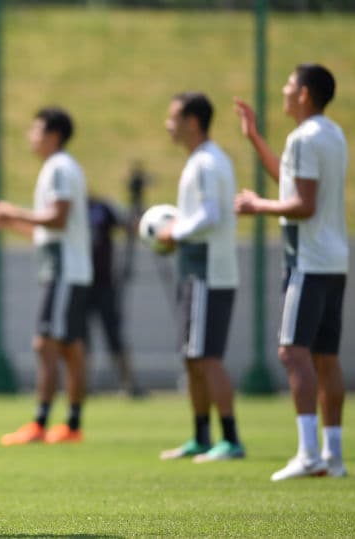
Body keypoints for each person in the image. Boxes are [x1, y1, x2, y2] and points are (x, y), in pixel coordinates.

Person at [234, 64, 348, 481]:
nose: (283, 90)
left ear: (304, 94)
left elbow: (302, 204)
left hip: (308, 261)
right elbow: (293, 183)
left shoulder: (303, 138)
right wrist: (254, 138)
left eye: (289, 84)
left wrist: (256, 206)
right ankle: (332, 456)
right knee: (326, 359)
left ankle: (307, 455)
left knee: (292, 352)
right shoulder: (331, 133)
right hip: (334, 260)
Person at [0, 107, 92, 447]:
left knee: (45, 344)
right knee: (69, 348)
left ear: (53, 135)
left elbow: (57, 219)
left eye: (36, 130)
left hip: (64, 270)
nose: (31, 137)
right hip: (63, 269)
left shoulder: (60, 167)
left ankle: (41, 423)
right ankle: (71, 425)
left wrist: (11, 210)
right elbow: (46, 232)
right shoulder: (58, 168)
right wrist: (10, 223)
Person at [156, 92, 245, 463]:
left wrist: (174, 231)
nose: (168, 124)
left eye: (173, 117)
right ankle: (201, 436)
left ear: (192, 121)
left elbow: (210, 215)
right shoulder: (200, 161)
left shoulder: (208, 162)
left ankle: (230, 439)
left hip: (210, 272)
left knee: (207, 357)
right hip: (196, 272)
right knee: (193, 357)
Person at [85, 195, 144, 397]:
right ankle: (83, 386)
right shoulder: (71, 207)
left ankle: (129, 384)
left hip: (104, 284)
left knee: (114, 336)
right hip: (80, 283)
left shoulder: (102, 207)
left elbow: (127, 226)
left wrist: (141, 220)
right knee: (81, 338)